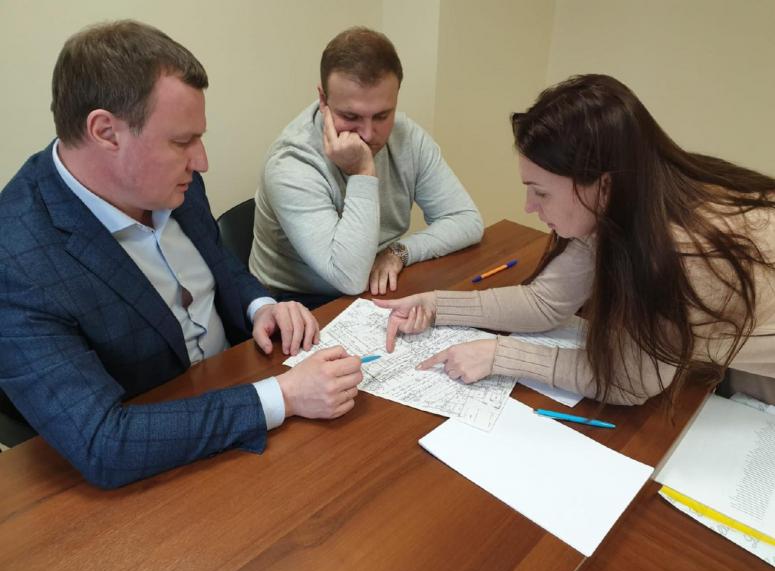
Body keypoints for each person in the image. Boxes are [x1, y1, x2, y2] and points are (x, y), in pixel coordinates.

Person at [0, 21, 362, 488]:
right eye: (181, 142)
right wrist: (283, 397)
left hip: (242, 393)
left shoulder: (175, 180)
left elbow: (217, 262)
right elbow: (104, 442)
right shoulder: (16, 258)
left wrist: (260, 306)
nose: (202, 161)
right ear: (106, 132)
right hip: (161, 467)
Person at [376, 74, 775, 406]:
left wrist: (501, 355)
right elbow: (546, 302)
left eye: (541, 193)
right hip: (724, 351)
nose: (529, 207)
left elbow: (629, 381)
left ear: (602, 185)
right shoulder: (622, 198)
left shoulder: (682, 252)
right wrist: (435, 304)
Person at [249, 27, 483, 309]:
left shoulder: (406, 136)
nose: (368, 134)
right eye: (351, 116)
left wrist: (399, 252)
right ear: (323, 99)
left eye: (382, 115)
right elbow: (348, 277)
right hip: (295, 302)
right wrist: (362, 173)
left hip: (375, 282)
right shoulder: (290, 163)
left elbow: (466, 219)